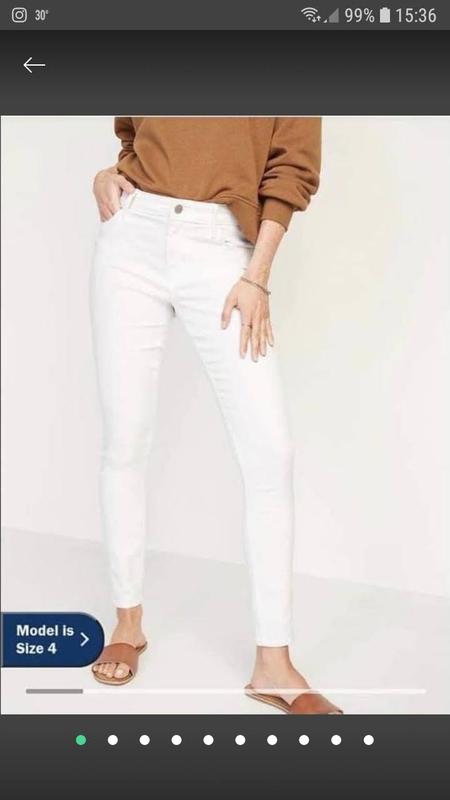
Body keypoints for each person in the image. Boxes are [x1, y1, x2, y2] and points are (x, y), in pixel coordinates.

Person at [89, 117, 342, 714]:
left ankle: (273, 663)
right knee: (125, 440)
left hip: (225, 252)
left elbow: (292, 170)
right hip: (132, 241)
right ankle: (127, 621)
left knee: (269, 454)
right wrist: (109, 173)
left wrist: (257, 276)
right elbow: (133, 132)